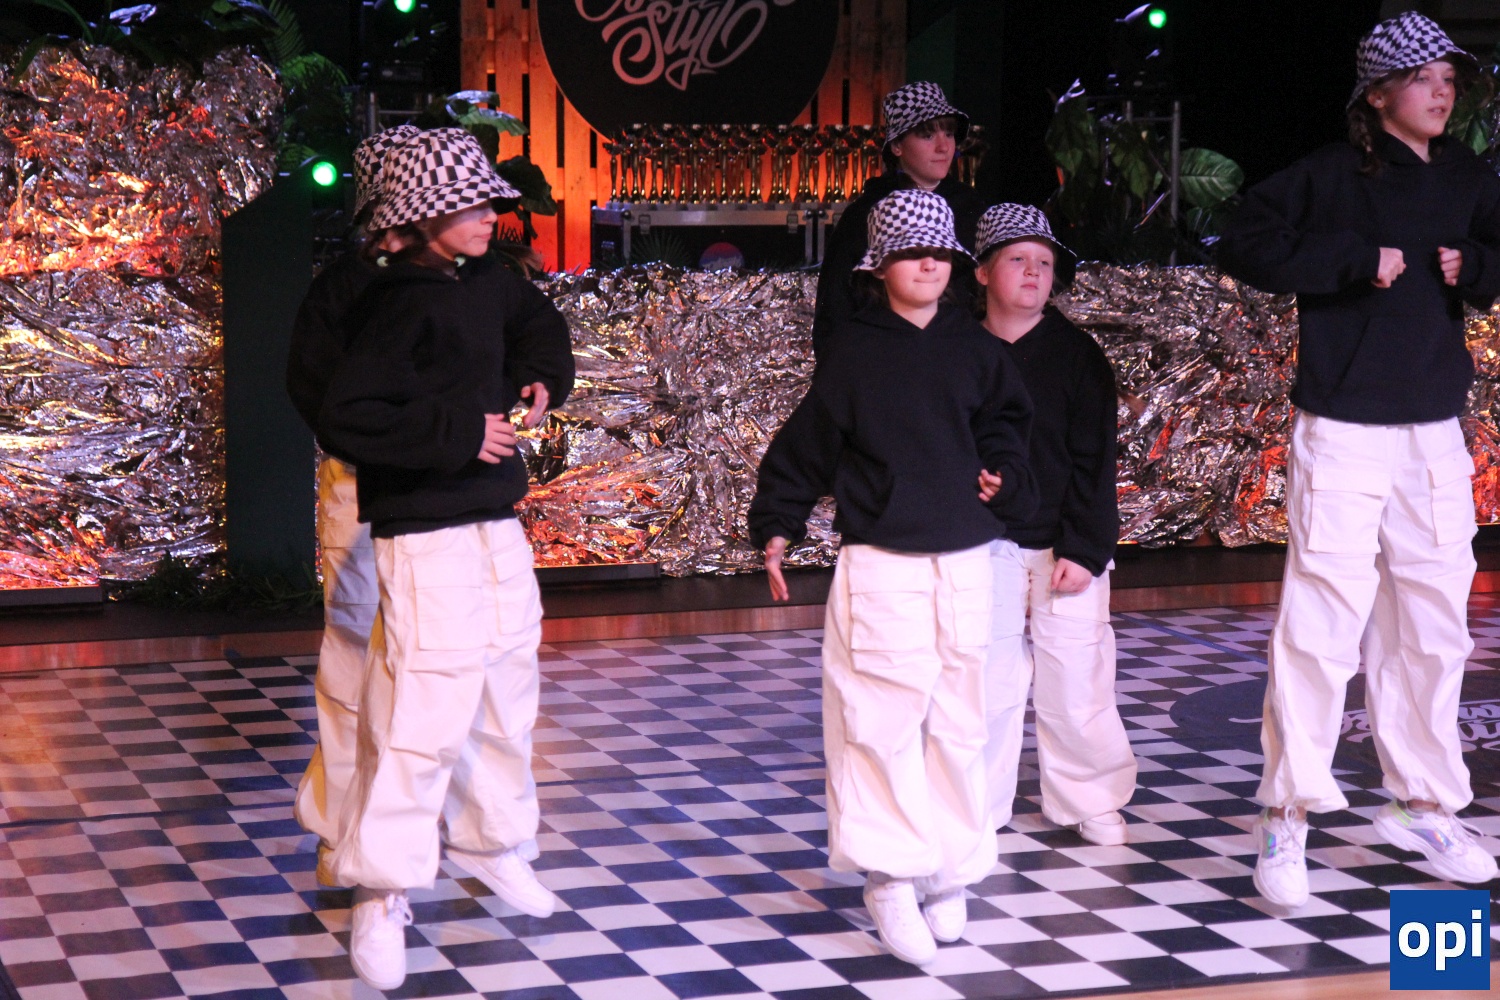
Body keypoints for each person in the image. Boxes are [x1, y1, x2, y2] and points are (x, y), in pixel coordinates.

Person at [1217, 11, 1500, 909]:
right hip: (1342, 426)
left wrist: (1475, 266)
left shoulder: (1467, 175)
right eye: (1423, 79)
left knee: (1434, 625)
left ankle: (1423, 803)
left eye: (1449, 79)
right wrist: (1349, 260)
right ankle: (1288, 811)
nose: (1441, 92)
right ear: (1377, 95)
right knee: (1322, 621)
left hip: (1432, 430)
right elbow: (1242, 239)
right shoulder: (1330, 174)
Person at [749, 189, 1037, 966]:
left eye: (940, 253)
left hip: (966, 558)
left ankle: (949, 867)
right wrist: (777, 523)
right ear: (879, 268)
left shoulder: (976, 348)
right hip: (882, 559)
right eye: (912, 253)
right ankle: (890, 874)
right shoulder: (856, 352)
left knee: (961, 719)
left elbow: (1008, 427)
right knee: (879, 717)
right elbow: (807, 444)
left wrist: (1004, 472)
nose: (928, 266)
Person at [318, 127, 576, 990]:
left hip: (492, 517)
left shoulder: (487, 281)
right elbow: (345, 412)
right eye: (467, 203)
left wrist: (542, 376)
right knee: (421, 706)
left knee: (506, 686)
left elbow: (538, 327)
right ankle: (382, 887)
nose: (490, 215)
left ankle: (492, 842)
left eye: (488, 201)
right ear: (418, 214)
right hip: (423, 524)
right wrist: (461, 432)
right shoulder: (390, 300)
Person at [972, 204, 1136, 847]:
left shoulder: (1077, 356)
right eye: (1017, 259)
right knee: (984, 680)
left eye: (1043, 262)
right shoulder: (959, 350)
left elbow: (1096, 461)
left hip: (1060, 544)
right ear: (983, 272)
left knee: (1076, 679)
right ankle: (977, 806)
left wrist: (1085, 548)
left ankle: (1089, 797)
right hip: (982, 542)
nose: (1033, 272)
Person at [287, 124, 419, 888]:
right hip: (362, 489)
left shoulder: (452, 283)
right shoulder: (343, 289)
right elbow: (313, 393)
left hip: (430, 496)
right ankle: (342, 829)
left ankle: (405, 824)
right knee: (350, 659)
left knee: (423, 662)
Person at [811, 81, 986, 359]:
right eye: (927, 135)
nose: (944, 147)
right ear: (896, 146)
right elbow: (834, 312)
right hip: (881, 361)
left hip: (958, 362)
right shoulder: (863, 215)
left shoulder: (971, 208)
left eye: (949, 133)